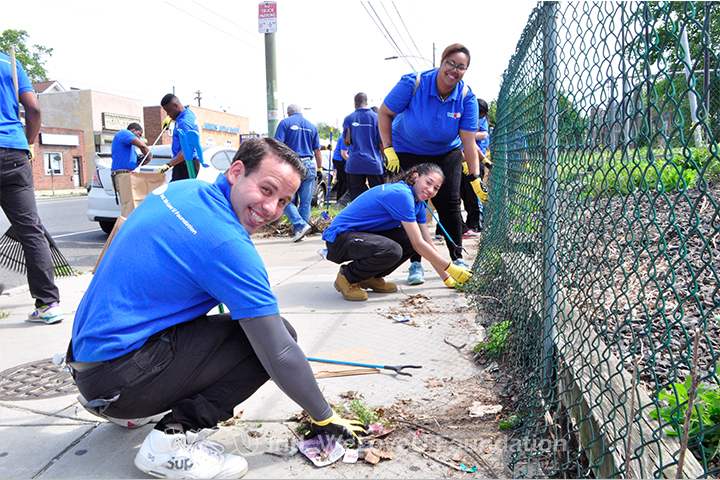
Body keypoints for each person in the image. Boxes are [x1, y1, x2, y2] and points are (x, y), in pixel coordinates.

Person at [68, 138, 364, 479]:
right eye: (266, 189)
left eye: (284, 201)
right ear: (237, 171)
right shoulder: (226, 244)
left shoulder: (183, 189)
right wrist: (324, 415)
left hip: (89, 363)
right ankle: (169, 444)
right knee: (272, 339)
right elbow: (279, 352)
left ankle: (128, 409)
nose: (272, 209)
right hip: (118, 379)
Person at [378, 43, 486, 286]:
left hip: (446, 152)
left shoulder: (466, 96)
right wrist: (388, 149)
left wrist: (475, 177)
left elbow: (468, 141)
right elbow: (384, 113)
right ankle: (415, 262)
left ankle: (457, 258)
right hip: (407, 148)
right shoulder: (413, 83)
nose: (454, 70)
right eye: (451, 63)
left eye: (461, 67)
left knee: (449, 203)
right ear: (441, 62)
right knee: (414, 204)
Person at [322, 163, 472, 302]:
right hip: (340, 239)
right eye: (428, 182)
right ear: (415, 176)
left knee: (407, 240)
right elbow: (418, 244)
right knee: (392, 249)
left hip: (359, 237)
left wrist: (447, 278)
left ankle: (370, 277)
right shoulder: (402, 194)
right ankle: (347, 277)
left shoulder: (418, 203)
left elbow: (427, 243)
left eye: (436, 188)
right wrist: (452, 268)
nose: (431, 190)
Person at [0, 50, 63, 324]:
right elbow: (33, 109)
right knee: (31, 231)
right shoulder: (8, 63)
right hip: (13, 152)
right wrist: (25, 141)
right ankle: (49, 304)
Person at [274, 104, 322, 242]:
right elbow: (317, 150)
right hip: (309, 166)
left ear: (288, 113)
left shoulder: (285, 123)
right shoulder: (311, 126)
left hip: (292, 166)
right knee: (306, 202)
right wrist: (319, 169)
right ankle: (301, 232)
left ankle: (300, 225)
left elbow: (278, 146)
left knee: (284, 198)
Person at [342, 93, 385, 201]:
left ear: (355, 102)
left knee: (357, 197)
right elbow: (381, 143)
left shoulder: (349, 118)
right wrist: (385, 160)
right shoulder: (376, 118)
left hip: (355, 163)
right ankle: (376, 216)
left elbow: (346, 143)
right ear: (366, 102)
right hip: (374, 163)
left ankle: (360, 216)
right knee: (378, 195)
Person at [460, 99, 491, 238]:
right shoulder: (463, 115)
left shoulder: (477, 120)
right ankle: (466, 224)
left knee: (473, 193)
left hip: (473, 159)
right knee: (462, 193)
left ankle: (476, 223)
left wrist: (483, 159)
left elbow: (474, 139)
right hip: (461, 159)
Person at [159, 94, 200, 182]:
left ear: (176, 106)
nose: (168, 114)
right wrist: (171, 119)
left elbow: (187, 150)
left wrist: (169, 164)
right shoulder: (187, 112)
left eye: (169, 111)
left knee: (177, 193)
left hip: (187, 164)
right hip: (183, 162)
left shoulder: (184, 123)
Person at [110, 122, 152, 204]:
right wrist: (148, 158)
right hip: (123, 174)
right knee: (128, 205)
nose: (139, 138)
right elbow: (143, 146)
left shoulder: (129, 146)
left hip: (129, 174)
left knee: (133, 204)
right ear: (133, 130)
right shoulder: (124, 133)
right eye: (139, 134)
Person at [331, 132, 349, 206]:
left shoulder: (344, 137)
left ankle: (339, 200)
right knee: (347, 180)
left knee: (341, 181)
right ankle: (342, 202)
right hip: (340, 160)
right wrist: (352, 163)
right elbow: (343, 154)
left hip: (338, 160)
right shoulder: (344, 138)